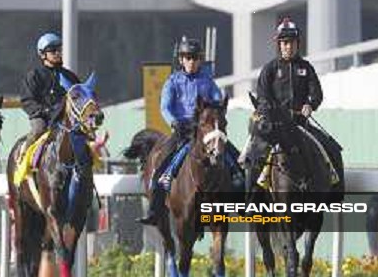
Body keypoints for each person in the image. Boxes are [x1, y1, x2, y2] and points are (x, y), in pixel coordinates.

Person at [138, 36, 243, 226]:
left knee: (235, 157)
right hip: (182, 129)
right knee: (161, 164)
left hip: (204, 131)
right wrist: (174, 122)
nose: (192, 62)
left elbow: (217, 100)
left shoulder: (207, 80)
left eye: (195, 58)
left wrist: (216, 112)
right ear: (181, 60)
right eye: (188, 57)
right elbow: (165, 107)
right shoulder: (173, 80)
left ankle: (242, 199)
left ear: (200, 60)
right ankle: (155, 209)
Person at [244, 17, 343, 195]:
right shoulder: (269, 69)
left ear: (298, 44)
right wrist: (274, 113)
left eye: (292, 43)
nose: (288, 47)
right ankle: (251, 201)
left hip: (301, 125)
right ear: (279, 45)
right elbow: (263, 98)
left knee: (333, 149)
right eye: (284, 43)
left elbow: (317, 94)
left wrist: (310, 105)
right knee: (251, 157)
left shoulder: (306, 68)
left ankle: (336, 194)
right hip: (274, 128)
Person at [19, 32, 80, 148]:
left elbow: (80, 97)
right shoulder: (34, 75)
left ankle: (90, 164)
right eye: (53, 50)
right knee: (38, 129)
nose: (58, 53)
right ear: (42, 54)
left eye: (59, 49)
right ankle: (22, 157)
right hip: (42, 117)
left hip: (65, 117)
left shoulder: (70, 77)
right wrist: (44, 111)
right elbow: (27, 100)